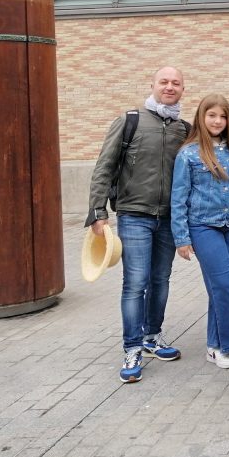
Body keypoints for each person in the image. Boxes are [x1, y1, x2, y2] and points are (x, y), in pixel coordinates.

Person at [86, 66, 190, 384]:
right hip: (134, 215)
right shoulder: (130, 120)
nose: (169, 87)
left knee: (161, 279)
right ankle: (132, 347)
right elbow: (105, 165)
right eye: (164, 82)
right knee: (136, 283)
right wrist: (97, 212)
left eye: (176, 83)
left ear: (182, 89)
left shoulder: (184, 129)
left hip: (169, 218)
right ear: (152, 85)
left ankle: (152, 337)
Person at [171, 94, 229, 369]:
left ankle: (215, 345)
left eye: (222, 116)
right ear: (201, 118)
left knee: (225, 287)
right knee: (225, 284)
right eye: (212, 115)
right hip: (204, 227)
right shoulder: (188, 154)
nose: (217, 121)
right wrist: (181, 238)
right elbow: (179, 197)